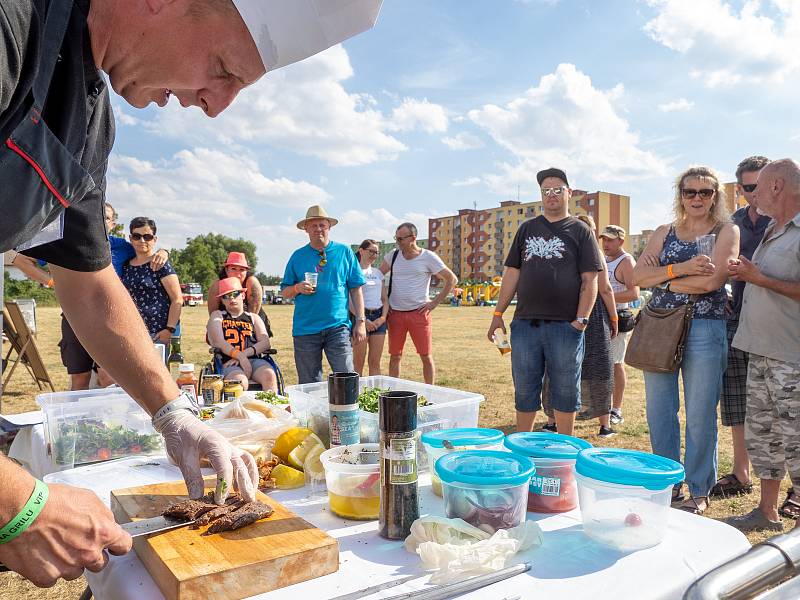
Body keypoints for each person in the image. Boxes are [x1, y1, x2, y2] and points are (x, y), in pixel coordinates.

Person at [0, 0, 379, 585]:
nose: (215, 106)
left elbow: (89, 281)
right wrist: (13, 503)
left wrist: (172, 412)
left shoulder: (89, 116)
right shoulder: (11, 26)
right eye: (225, 68)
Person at [633, 166, 739, 515]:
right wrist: (683, 269)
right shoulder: (664, 232)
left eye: (705, 192)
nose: (696, 198)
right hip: (661, 325)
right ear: (680, 195)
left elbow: (712, 283)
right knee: (660, 411)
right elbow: (638, 276)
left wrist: (660, 278)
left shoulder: (727, 230)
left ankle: (698, 488)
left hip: (705, 326)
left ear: (715, 196)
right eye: (689, 191)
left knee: (699, 412)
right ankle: (666, 482)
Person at [487, 168, 602, 436]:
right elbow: (512, 273)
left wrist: (581, 320)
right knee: (525, 387)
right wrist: (497, 313)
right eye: (545, 191)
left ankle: (564, 448)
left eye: (557, 189)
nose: (551, 195)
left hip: (566, 327)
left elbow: (590, 280)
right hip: (526, 325)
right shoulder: (527, 229)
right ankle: (522, 444)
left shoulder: (581, 231)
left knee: (564, 389)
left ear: (569, 193)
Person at [723, 158, 800, 532]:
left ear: (776, 187)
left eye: (757, 189)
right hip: (761, 350)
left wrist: (759, 278)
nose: (751, 199)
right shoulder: (773, 228)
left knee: (797, 440)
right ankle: (766, 512)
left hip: (792, 356)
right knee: (764, 436)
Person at [711, 156, 772, 501]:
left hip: (779, 321)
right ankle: (741, 472)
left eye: (760, 186)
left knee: (783, 401)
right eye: (747, 187)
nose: (754, 193)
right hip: (737, 318)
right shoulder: (732, 223)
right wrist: (724, 293)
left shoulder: (787, 221)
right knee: (736, 398)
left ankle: (795, 487)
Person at [65, 204, 169, 390]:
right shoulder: (72, 242)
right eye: (97, 215)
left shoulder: (122, 247)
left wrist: (164, 251)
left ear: (112, 223)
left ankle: (111, 417)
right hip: (75, 315)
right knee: (80, 378)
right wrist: (50, 282)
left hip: (108, 315)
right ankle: (79, 419)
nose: (101, 220)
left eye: (106, 218)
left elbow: (145, 248)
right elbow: (25, 260)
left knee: (109, 376)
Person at [542, 214, 618, 438]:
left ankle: (551, 421)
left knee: (559, 366)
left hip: (564, 313)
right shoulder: (595, 253)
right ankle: (605, 424)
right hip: (592, 315)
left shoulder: (560, 252)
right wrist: (614, 318)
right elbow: (605, 289)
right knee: (599, 367)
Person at [281, 206, 367, 384]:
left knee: (346, 378)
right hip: (305, 329)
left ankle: (348, 412)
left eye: (322, 225)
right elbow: (285, 292)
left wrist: (360, 322)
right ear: (306, 229)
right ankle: (312, 413)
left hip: (338, 327)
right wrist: (297, 288)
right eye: (313, 225)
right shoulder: (297, 256)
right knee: (309, 383)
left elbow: (356, 289)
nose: (318, 229)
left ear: (329, 227)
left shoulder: (344, 252)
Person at [380, 223, 457, 385]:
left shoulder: (428, 257)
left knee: (426, 355)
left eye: (401, 238)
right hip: (395, 314)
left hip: (419, 313)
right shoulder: (393, 256)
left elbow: (452, 279)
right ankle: (394, 393)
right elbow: (376, 276)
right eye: (396, 238)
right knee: (395, 356)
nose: (398, 242)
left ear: (413, 238)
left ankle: (430, 392)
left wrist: (434, 303)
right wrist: (385, 303)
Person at [599, 224, 640, 425]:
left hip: (619, 316)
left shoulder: (626, 261)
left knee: (616, 363)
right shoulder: (605, 260)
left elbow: (634, 293)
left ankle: (616, 409)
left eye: (610, 240)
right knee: (600, 364)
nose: (605, 243)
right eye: (603, 239)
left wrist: (605, 297)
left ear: (621, 241)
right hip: (601, 317)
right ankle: (600, 406)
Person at [207, 277, 277, 392]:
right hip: (229, 362)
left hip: (254, 360)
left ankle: (269, 408)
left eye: (235, 294)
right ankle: (239, 410)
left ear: (243, 295)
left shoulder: (254, 317)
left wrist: (243, 356)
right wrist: (238, 356)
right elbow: (218, 341)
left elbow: (265, 342)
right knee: (239, 382)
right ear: (222, 301)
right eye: (226, 296)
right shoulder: (218, 316)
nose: (231, 298)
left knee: (269, 375)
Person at [207, 251, 272, 337]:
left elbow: (254, 313)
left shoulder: (251, 282)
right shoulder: (217, 286)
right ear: (226, 269)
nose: (238, 274)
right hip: (225, 322)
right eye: (233, 269)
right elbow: (213, 314)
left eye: (242, 270)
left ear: (246, 271)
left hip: (253, 323)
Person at [352, 239, 388, 376]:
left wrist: (383, 318)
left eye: (377, 252)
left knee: (375, 362)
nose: (374, 254)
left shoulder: (378, 273)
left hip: (379, 319)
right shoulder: (354, 271)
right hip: (361, 319)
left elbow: (385, 299)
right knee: (358, 363)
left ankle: (375, 394)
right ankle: (356, 395)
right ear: (361, 250)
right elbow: (350, 301)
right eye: (371, 251)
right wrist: (363, 320)